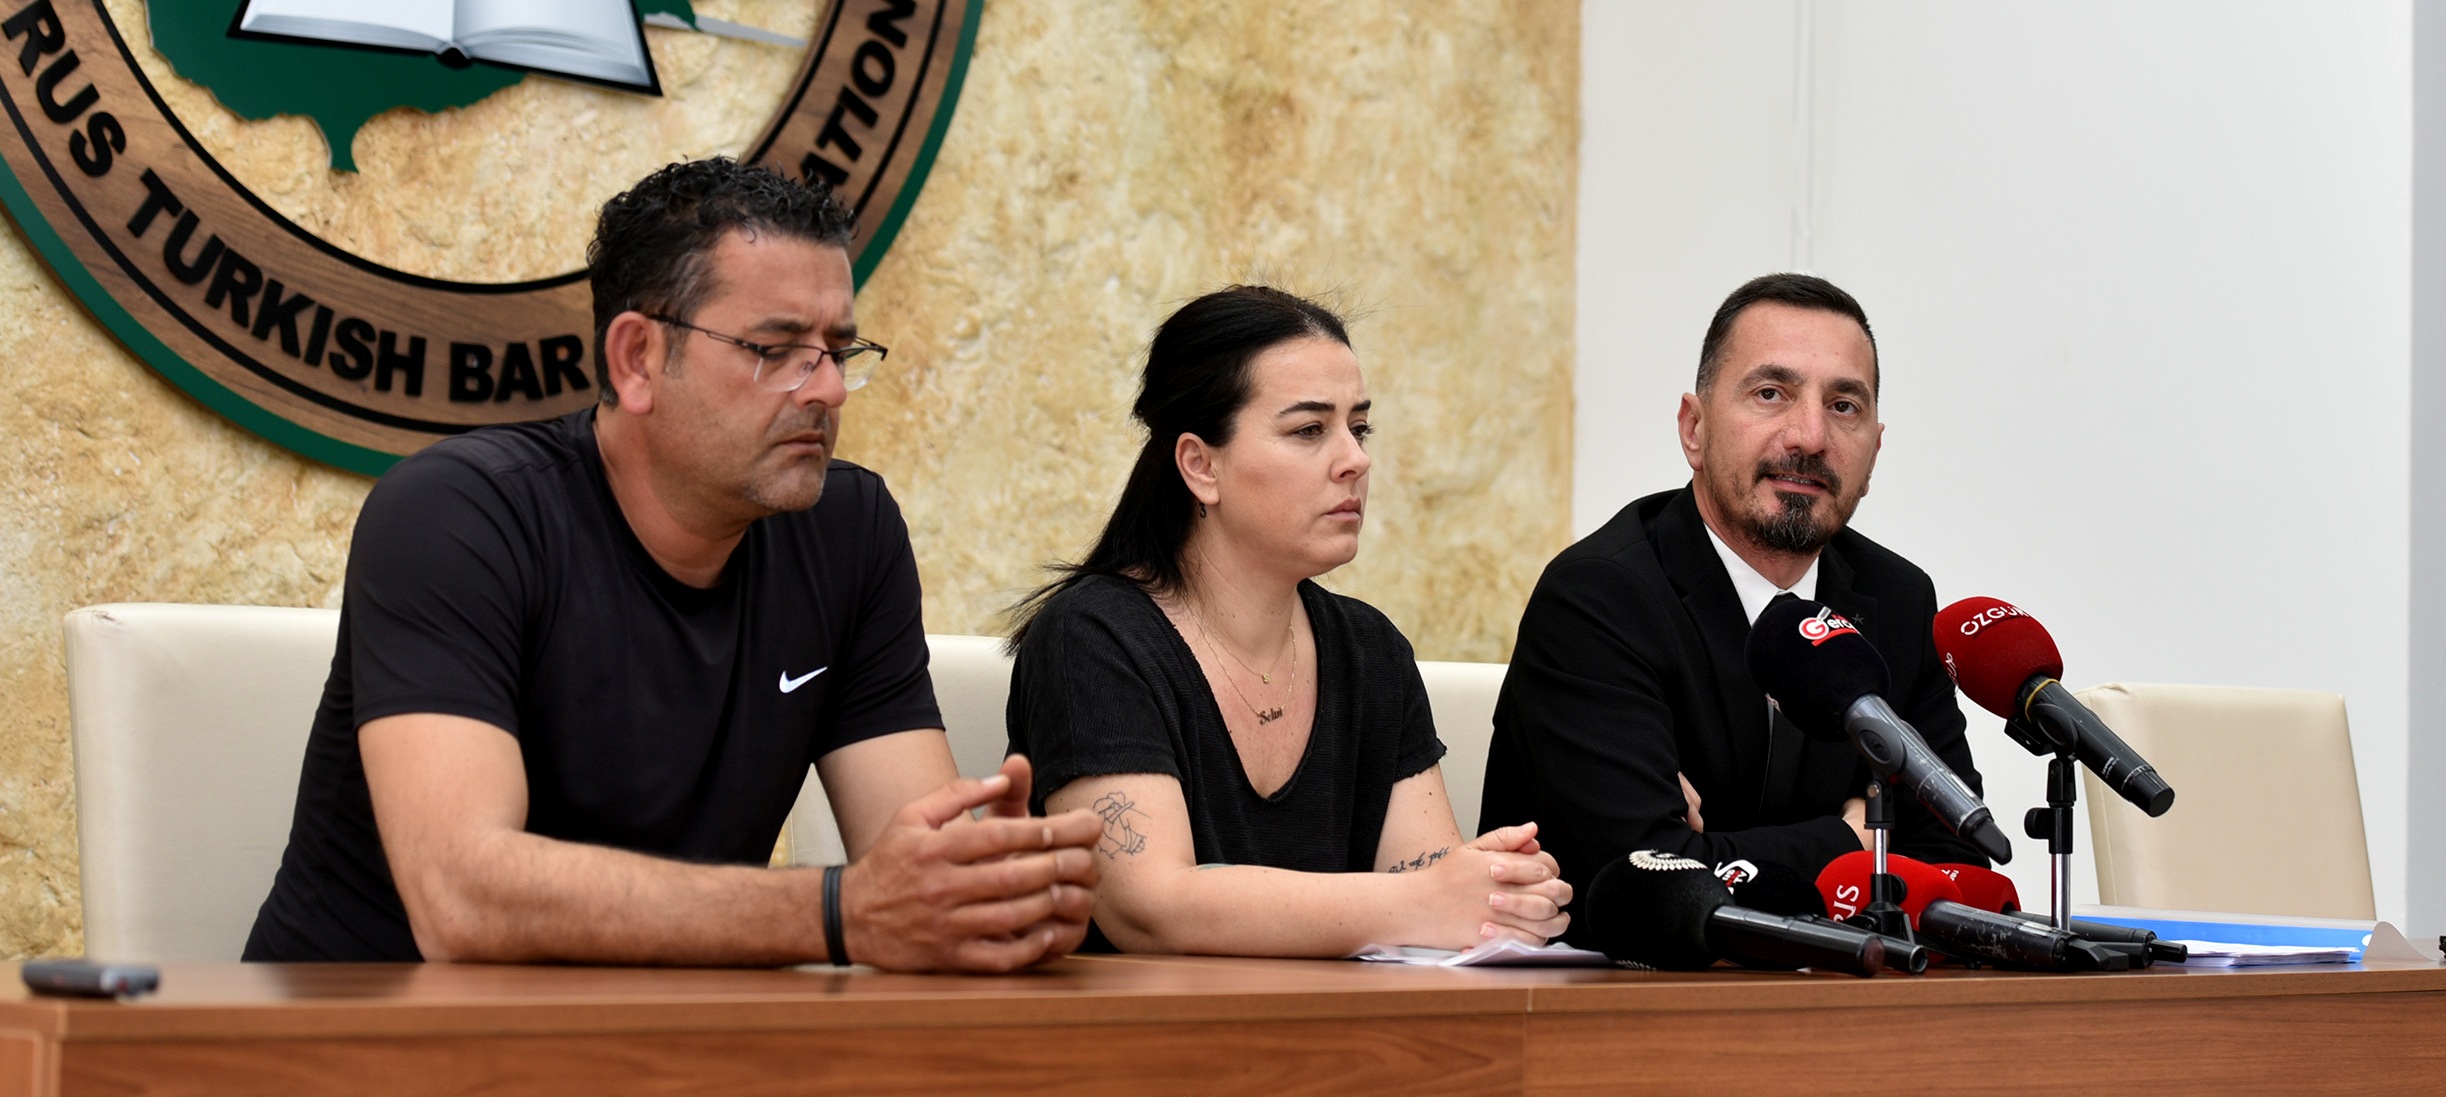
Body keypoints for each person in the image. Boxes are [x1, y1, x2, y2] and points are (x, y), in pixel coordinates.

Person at [244, 158, 1100, 970]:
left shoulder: (849, 530)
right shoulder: (458, 513)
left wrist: (992, 896)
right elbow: (461, 897)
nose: (828, 390)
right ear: (637, 359)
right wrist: (839, 912)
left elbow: (912, 855)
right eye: (775, 350)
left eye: (839, 351)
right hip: (363, 1035)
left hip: (658, 1035)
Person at [1004, 286, 1571, 956]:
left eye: (1359, 428)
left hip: (1349, 1021)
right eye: (1308, 430)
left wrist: (1498, 892)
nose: (1355, 459)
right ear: (1200, 465)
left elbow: (1429, 899)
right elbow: (1149, 907)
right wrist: (1426, 900)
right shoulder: (1092, 637)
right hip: (1145, 1021)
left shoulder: (1371, 650)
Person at [1479, 273, 1990, 940]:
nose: (1809, 435)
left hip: (1845, 988)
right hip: (1619, 993)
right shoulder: (1598, 598)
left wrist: (1715, 847)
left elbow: (1956, 863)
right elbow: (1646, 884)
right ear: (1694, 429)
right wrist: (1850, 838)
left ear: (1874, 449)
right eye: (1771, 393)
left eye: (1843, 406)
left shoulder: (1897, 599)